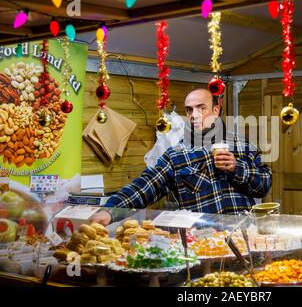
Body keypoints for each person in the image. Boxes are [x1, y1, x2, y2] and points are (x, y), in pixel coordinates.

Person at [91, 88, 272, 225]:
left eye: (201, 108)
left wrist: (236, 167)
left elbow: (264, 185)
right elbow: (145, 186)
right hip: (201, 243)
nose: (194, 115)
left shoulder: (243, 146)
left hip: (243, 238)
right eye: (189, 110)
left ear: (216, 111)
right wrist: (110, 211)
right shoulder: (176, 155)